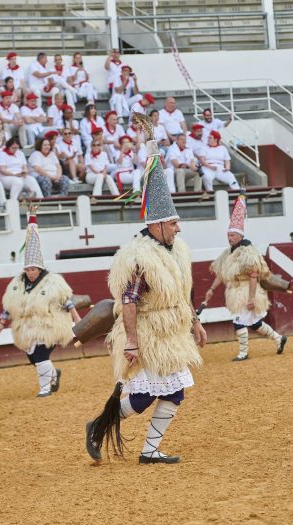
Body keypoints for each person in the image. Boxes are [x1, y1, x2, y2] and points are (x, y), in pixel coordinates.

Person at [85, 126, 207, 465]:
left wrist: (195, 324)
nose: (178, 227)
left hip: (172, 332)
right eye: (172, 222)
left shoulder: (176, 250)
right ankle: (98, 425)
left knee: (175, 393)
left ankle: (149, 450)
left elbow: (183, 293)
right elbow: (128, 300)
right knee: (140, 400)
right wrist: (133, 342)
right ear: (156, 224)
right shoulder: (140, 257)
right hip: (149, 334)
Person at [0, 210, 81, 397]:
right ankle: (53, 374)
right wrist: (2, 323)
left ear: (40, 268)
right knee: (33, 357)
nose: (30, 272)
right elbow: (10, 304)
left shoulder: (53, 281)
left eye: (33, 269)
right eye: (27, 269)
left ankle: (45, 388)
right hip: (27, 327)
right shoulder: (17, 283)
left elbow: (66, 301)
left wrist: (76, 320)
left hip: (48, 324)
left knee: (41, 356)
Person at [204, 193, 287, 361]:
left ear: (240, 236)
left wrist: (251, 298)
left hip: (246, 291)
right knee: (255, 323)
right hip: (236, 291)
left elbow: (254, 275)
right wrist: (211, 289)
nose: (230, 238)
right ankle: (279, 338)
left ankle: (243, 352)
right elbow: (221, 273)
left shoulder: (247, 252)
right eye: (229, 235)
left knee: (238, 321)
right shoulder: (228, 253)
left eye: (233, 235)